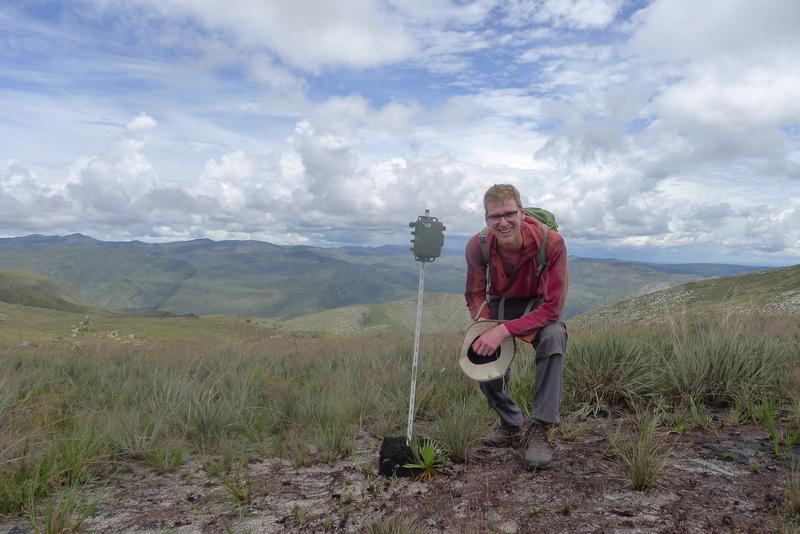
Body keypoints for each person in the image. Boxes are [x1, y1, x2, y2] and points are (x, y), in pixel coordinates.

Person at [464, 183, 568, 469]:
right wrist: (485, 324)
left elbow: (553, 308)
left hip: (538, 306)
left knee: (553, 338)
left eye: (509, 213)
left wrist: (504, 330)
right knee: (478, 349)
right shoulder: (478, 245)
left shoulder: (552, 243)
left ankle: (541, 430)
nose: (503, 222)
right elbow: (474, 294)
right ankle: (510, 423)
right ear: (486, 219)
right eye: (494, 216)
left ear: (521, 213)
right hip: (499, 305)